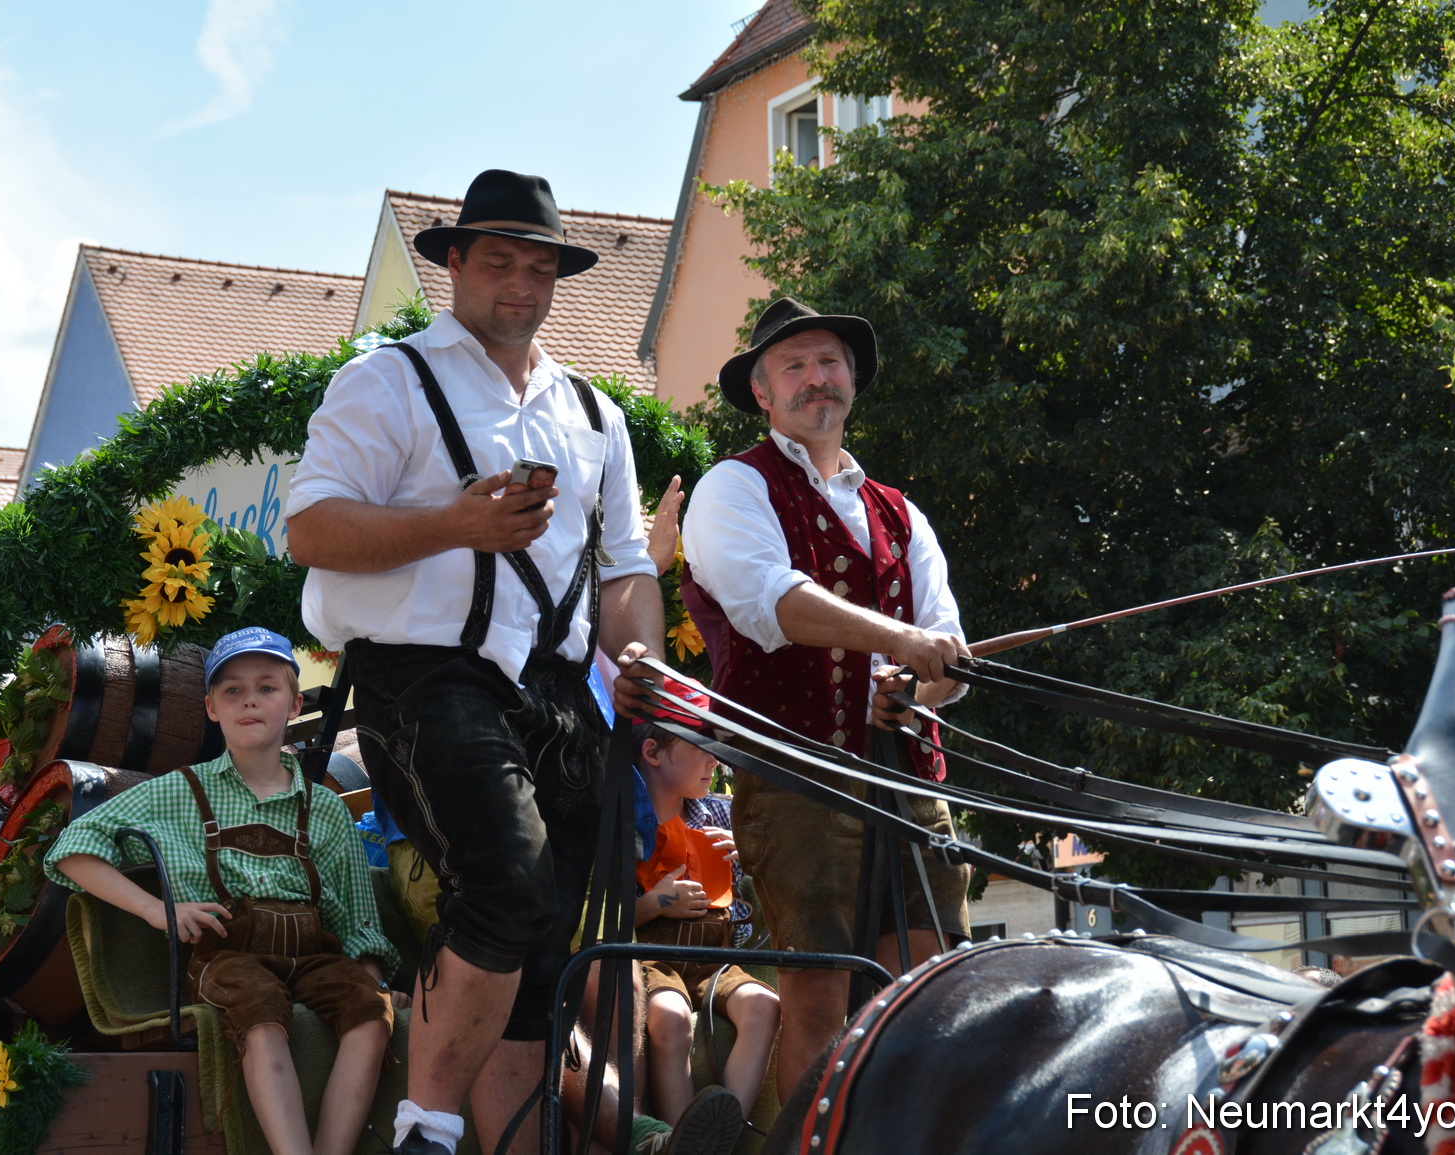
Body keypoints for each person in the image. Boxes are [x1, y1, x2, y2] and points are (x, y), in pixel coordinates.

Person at [284, 169, 699, 1155]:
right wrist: (450, 524)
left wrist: (636, 650)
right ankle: (423, 1129)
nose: (520, 283)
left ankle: (519, 1142)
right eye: (500, 261)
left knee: (549, 938)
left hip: (555, 692)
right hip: (425, 675)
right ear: (455, 266)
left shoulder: (595, 415)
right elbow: (310, 527)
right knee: (505, 885)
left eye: (538, 266)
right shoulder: (387, 379)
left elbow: (626, 568)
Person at [680, 297, 973, 1101]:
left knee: (927, 993)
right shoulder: (732, 487)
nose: (818, 378)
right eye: (795, 366)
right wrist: (904, 643)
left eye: (831, 362)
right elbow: (770, 601)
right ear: (763, 394)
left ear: (853, 382)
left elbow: (946, 647)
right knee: (819, 996)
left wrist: (919, 683)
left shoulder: (900, 513)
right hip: (798, 782)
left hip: (911, 783)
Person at [46, 627, 400, 1155]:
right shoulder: (180, 791)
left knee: (371, 1015)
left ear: (294, 702)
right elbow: (72, 846)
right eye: (232, 691)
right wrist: (156, 909)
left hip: (314, 954)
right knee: (260, 1013)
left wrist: (374, 984)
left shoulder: (323, 807)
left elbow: (356, 920)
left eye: (266, 687)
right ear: (211, 707)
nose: (250, 700)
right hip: (227, 952)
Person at [633, 711, 779, 1129]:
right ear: (652, 752)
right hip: (653, 961)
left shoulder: (720, 814)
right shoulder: (624, 824)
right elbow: (608, 914)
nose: (716, 761)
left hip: (716, 961)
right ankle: (682, 1136)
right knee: (671, 1017)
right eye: (704, 748)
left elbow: (764, 876)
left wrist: (747, 855)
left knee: (764, 1006)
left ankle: (719, 1132)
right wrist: (657, 903)